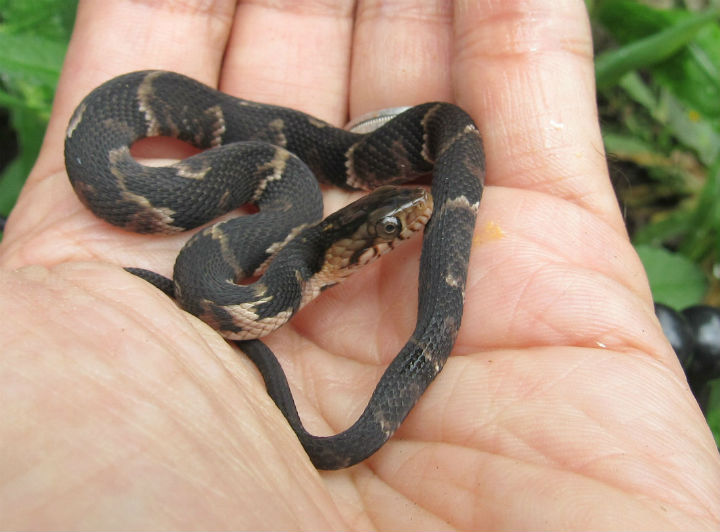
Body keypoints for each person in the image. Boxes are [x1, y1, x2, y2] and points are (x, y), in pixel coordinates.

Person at [1, 0, 718, 528]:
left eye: (405, 221)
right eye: (394, 228)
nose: (413, 221)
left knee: (438, 126)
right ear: (341, 250)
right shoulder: (266, 259)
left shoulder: (281, 226)